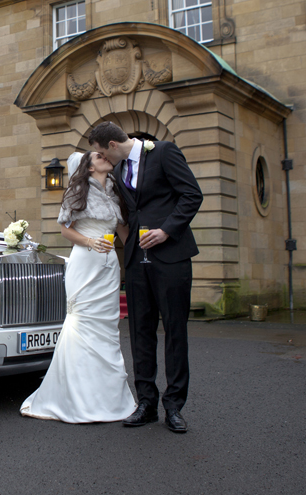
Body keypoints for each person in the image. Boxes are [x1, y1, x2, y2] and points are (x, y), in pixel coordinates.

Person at [88, 121, 203, 433]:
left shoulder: (164, 152)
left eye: (101, 153)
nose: (101, 159)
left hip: (172, 257)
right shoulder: (118, 169)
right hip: (137, 260)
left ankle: (175, 406)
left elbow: (192, 195)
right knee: (140, 331)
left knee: (175, 331)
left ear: (112, 145)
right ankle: (147, 403)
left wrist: (166, 230)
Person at [20, 150, 137, 423]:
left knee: (107, 328)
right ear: (88, 164)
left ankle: (108, 398)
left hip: (108, 266)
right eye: (99, 155)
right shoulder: (77, 189)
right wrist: (90, 242)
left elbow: (124, 232)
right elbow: (65, 229)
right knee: (82, 324)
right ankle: (74, 397)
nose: (105, 157)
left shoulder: (115, 190)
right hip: (85, 262)